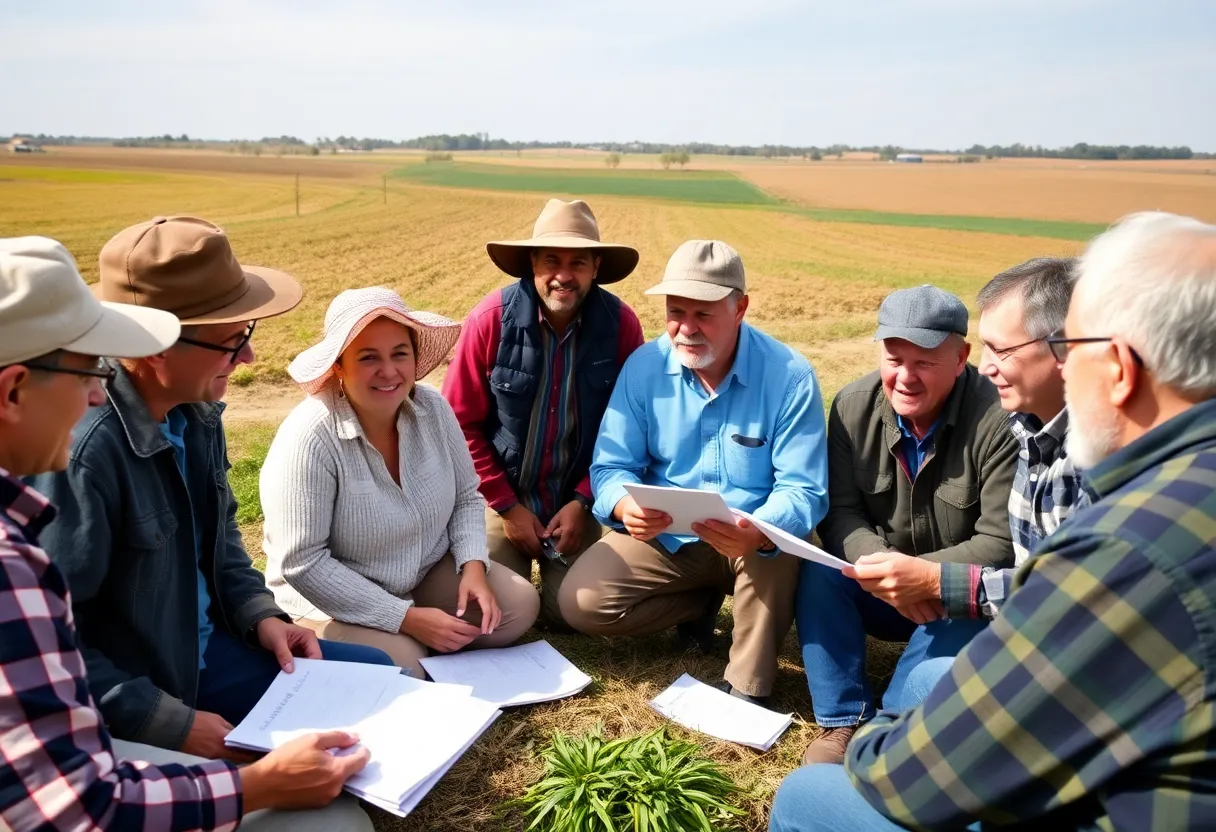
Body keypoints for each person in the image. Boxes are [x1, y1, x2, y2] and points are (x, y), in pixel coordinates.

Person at [771, 210, 1216, 831]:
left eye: (1072, 347)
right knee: (922, 674)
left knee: (803, 796)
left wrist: (929, 589)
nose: (1062, 368)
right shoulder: (1126, 471)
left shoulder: (1133, 538)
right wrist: (881, 567)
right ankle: (849, 715)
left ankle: (873, 726)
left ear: (1118, 368)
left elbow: (926, 779)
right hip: (1100, 728)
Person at [0, 235, 373, 831]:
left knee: (381, 678)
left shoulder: (197, 411)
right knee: (334, 818)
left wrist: (259, 613)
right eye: (232, 342)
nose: (247, 360)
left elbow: (221, 539)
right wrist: (170, 725)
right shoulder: (81, 459)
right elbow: (64, 679)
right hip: (150, 685)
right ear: (153, 348)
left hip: (207, 653)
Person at [558, 240, 829, 704]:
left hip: (751, 539)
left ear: (740, 307)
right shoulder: (643, 368)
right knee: (579, 604)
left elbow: (803, 490)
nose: (686, 328)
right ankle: (699, 603)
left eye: (703, 314)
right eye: (675, 311)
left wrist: (758, 530)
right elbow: (610, 464)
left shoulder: (789, 375)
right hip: (668, 537)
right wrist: (625, 507)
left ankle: (747, 686)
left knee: (780, 547)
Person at [260, 286, 540, 677]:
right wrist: (405, 618)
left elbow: (465, 497)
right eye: (368, 358)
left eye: (399, 354)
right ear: (339, 365)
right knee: (405, 663)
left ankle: (420, 638)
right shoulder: (310, 436)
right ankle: (352, 638)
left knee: (517, 607)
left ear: (414, 358)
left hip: (420, 572)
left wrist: (473, 566)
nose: (388, 371)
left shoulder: (433, 408)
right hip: (331, 599)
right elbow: (303, 563)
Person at [796, 284, 1017, 764]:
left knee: (971, 604)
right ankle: (842, 721)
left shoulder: (1000, 421)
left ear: (961, 358)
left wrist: (923, 578)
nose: (905, 378)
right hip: (876, 580)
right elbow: (840, 512)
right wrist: (882, 568)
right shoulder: (853, 406)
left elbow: (1000, 544)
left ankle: (888, 730)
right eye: (895, 359)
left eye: (925, 363)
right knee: (819, 571)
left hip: (951, 596)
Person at [442, 199, 644, 628]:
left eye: (578, 263)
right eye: (551, 260)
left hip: (572, 502)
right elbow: (459, 423)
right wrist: (508, 507)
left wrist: (584, 501)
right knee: (496, 613)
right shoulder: (489, 321)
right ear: (531, 262)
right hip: (497, 498)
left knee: (568, 614)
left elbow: (628, 429)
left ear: (596, 267)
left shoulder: (621, 326)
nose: (563, 276)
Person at [900, 257, 1087, 705]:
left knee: (932, 686)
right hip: (1023, 631)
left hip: (1072, 671)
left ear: (1065, 347)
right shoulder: (1029, 431)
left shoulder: (1097, 457)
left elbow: (1071, 599)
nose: (985, 368)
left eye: (1001, 351)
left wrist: (936, 581)